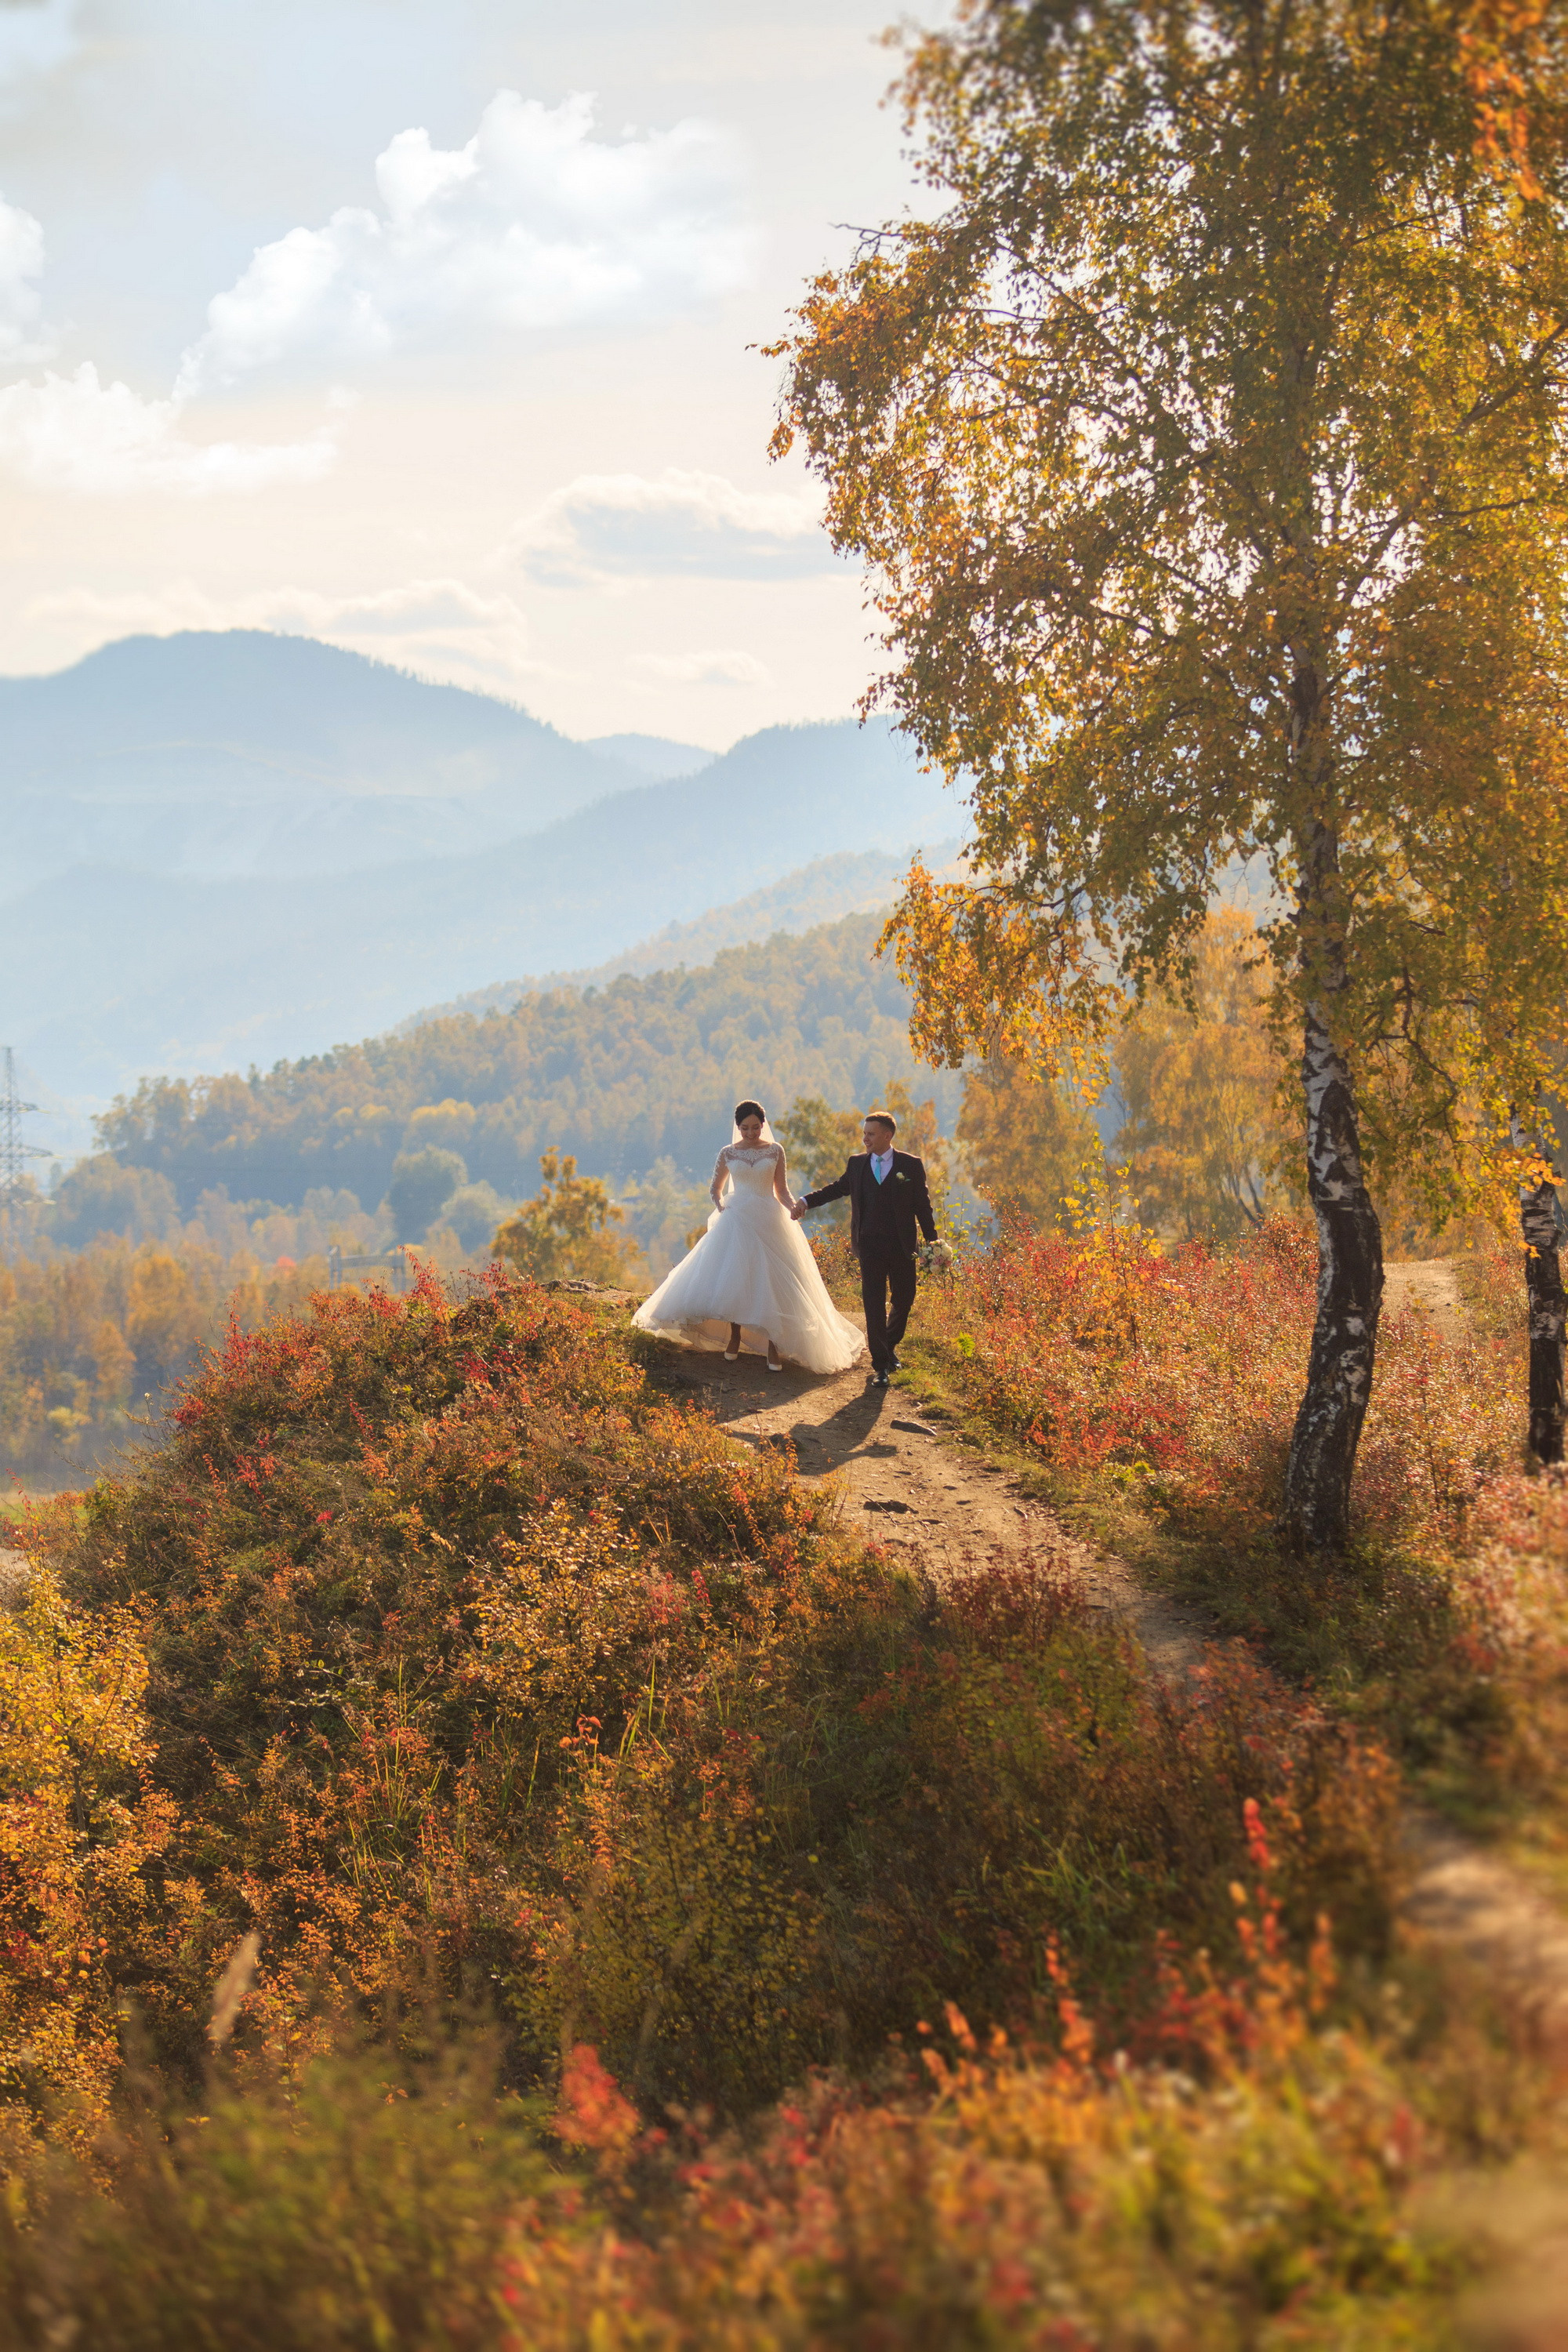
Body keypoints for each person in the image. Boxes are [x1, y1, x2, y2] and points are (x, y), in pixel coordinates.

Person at [633, 1100, 866, 1374]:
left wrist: (793, 1206)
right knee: (737, 1278)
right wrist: (722, 1209)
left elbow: (781, 1189)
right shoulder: (728, 1153)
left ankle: (773, 1343)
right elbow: (715, 1189)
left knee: (773, 1281)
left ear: (763, 1126)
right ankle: (735, 1335)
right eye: (745, 1128)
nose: (751, 1133)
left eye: (756, 1128)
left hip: (769, 1219)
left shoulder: (776, 1150)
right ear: (738, 1127)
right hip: (737, 1219)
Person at [792, 1111, 937, 1387]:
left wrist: (933, 1242)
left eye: (871, 1133)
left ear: (887, 1135)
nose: (865, 1138)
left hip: (903, 1245)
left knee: (904, 1299)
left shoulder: (911, 1164)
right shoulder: (857, 1164)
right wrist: (805, 1201)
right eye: (865, 1133)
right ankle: (880, 1365)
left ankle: (890, 1343)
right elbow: (837, 1189)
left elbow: (922, 1205)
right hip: (869, 1245)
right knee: (873, 1303)